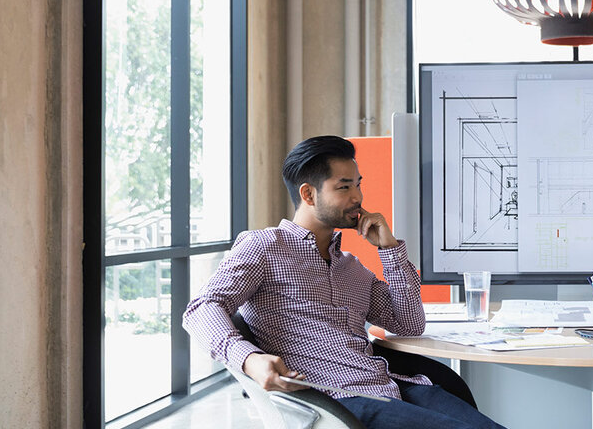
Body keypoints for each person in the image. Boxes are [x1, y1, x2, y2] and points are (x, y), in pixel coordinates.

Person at [184, 135, 505, 429]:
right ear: (308, 194)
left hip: (392, 385)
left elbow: (408, 323)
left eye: (358, 185)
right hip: (337, 401)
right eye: (344, 187)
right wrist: (248, 359)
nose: (358, 197)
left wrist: (390, 251)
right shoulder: (265, 246)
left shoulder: (351, 267)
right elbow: (200, 309)